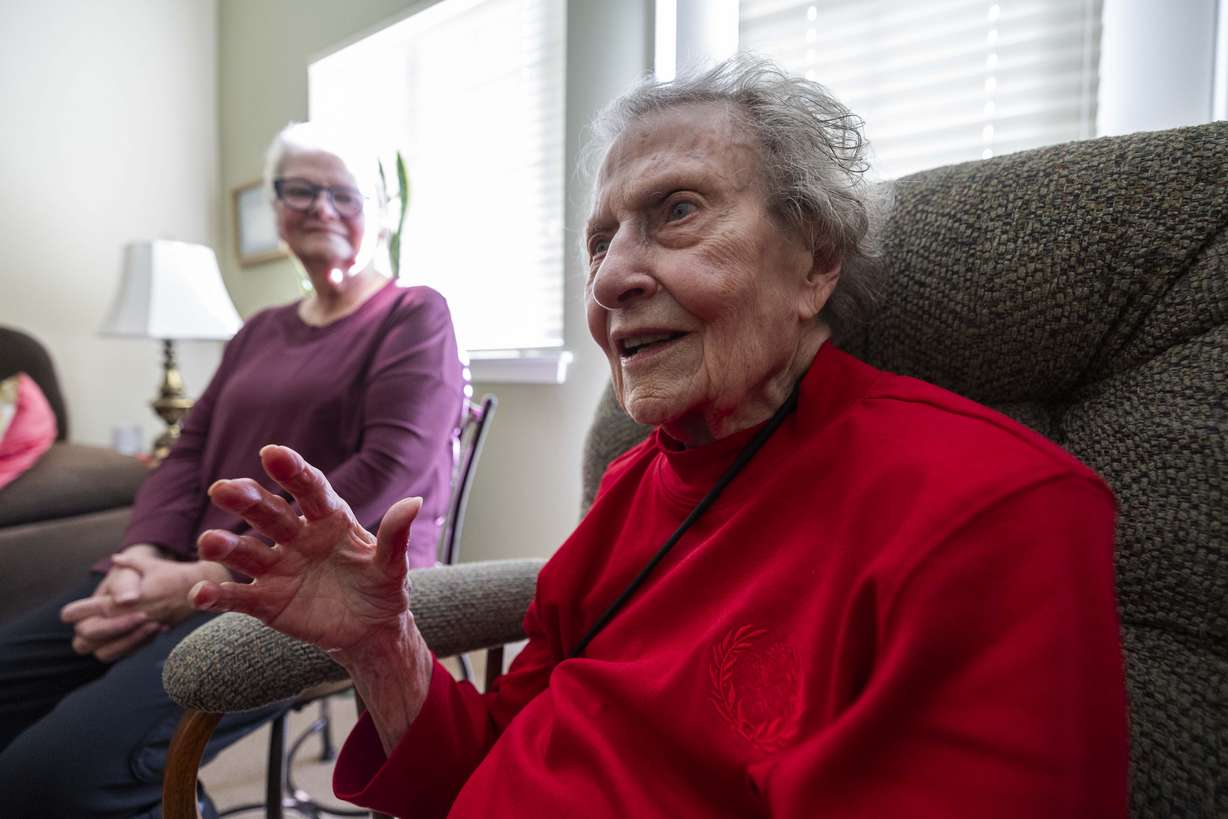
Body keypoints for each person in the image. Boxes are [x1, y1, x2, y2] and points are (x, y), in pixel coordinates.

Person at [189, 58, 1129, 818]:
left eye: (677, 211)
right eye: (600, 242)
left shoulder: (993, 513)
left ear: (816, 260)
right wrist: (382, 646)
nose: (610, 282)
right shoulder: (638, 488)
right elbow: (481, 768)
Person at [0, 122, 465, 817]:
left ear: (382, 209)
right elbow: (187, 449)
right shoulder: (258, 329)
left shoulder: (413, 314)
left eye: (343, 191)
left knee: (52, 777)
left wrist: (197, 582)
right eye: (299, 189)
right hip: (181, 567)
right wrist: (141, 556)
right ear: (277, 209)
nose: (319, 206)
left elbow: (388, 471)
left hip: (320, 592)